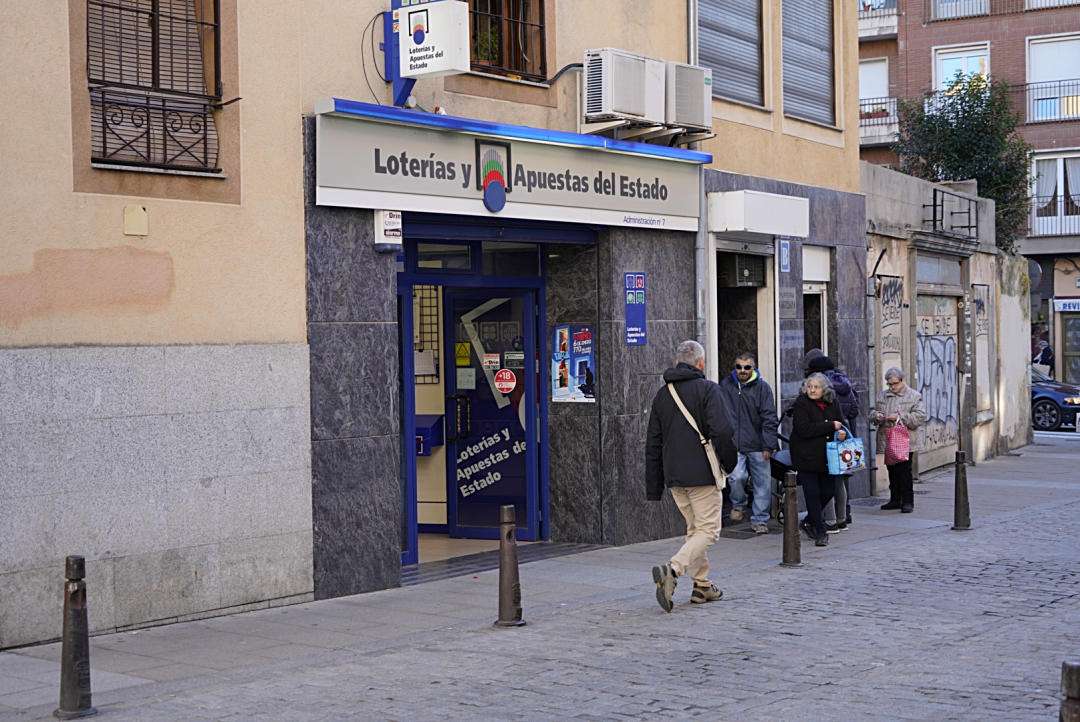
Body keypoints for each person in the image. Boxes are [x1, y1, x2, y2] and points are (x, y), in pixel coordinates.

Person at [646, 340, 738, 612]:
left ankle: (702, 586)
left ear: (677, 362)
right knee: (709, 531)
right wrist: (729, 464)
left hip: (674, 475)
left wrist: (654, 484)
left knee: (694, 531)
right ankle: (672, 570)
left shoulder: (663, 395)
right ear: (701, 363)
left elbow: (653, 442)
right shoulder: (709, 390)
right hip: (702, 473)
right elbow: (722, 431)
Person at [719, 351, 779, 535]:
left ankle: (760, 520)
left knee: (763, 483)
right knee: (736, 477)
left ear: (753, 368)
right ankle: (739, 504)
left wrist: (768, 445)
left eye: (747, 367)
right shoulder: (726, 386)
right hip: (734, 443)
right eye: (739, 367)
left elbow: (769, 417)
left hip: (758, 444)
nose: (742, 370)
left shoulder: (762, 388)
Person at [789, 373, 846, 547]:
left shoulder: (832, 402)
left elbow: (840, 422)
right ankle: (820, 532)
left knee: (828, 491)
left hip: (828, 457)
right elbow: (803, 429)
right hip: (806, 456)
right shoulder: (801, 403)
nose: (812, 390)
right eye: (809, 386)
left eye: (816, 387)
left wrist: (841, 433)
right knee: (812, 493)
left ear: (824, 389)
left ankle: (808, 521)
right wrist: (831, 426)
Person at [806, 354, 860, 533]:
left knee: (827, 480)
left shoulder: (822, 388)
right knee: (840, 480)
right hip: (844, 439)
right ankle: (844, 517)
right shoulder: (845, 383)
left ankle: (830, 521)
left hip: (827, 439)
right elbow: (854, 410)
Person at [870, 367, 927, 513]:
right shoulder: (882, 396)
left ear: (902, 380)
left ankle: (908, 501)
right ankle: (895, 499)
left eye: (895, 383)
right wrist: (876, 416)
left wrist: (900, 417)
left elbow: (920, 417)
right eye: (889, 384)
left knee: (904, 471)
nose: (892, 387)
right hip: (887, 438)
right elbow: (873, 412)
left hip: (905, 440)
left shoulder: (914, 396)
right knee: (892, 470)